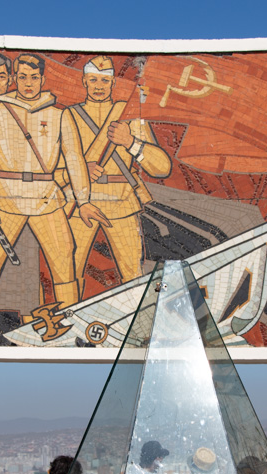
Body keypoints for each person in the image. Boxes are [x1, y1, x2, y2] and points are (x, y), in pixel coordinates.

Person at [0, 53, 108, 345]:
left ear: (42, 79)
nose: (28, 83)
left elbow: (74, 158)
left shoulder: (60, 114)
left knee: (64, 260)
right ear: (14, 78)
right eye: (22, 77)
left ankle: (70, 327)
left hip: (47, 197)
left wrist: (83, 200)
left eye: (33, 77)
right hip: (5, 196)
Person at [63, 55, 171, 298]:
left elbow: (161, 168)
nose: (99, 86)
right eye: (93, 80)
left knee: (132, 273)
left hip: (121, 199)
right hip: (81, 202)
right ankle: (69, 317)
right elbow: (53, 164)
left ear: (113, 83)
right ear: (84, 81)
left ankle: (134, 317)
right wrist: (81, 169)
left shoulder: (129, 114)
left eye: (104, 80)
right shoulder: (69, 116)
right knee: (69, 272)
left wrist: (130, 141)